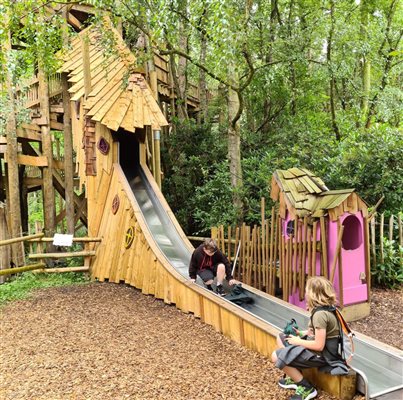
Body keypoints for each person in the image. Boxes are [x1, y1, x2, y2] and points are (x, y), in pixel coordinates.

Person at [271, 276, 348, 400]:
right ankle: (295, 375)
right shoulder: (327, 310)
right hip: (321, 351)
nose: (306, 294)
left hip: (322, 355)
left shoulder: (320, 315)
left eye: (307, 291)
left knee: (275, 356)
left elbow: (319, 345)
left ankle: (306, 388)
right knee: (281, 338)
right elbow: (320, 333)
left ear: (313, 295)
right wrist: (303, 333)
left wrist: (298, 341)